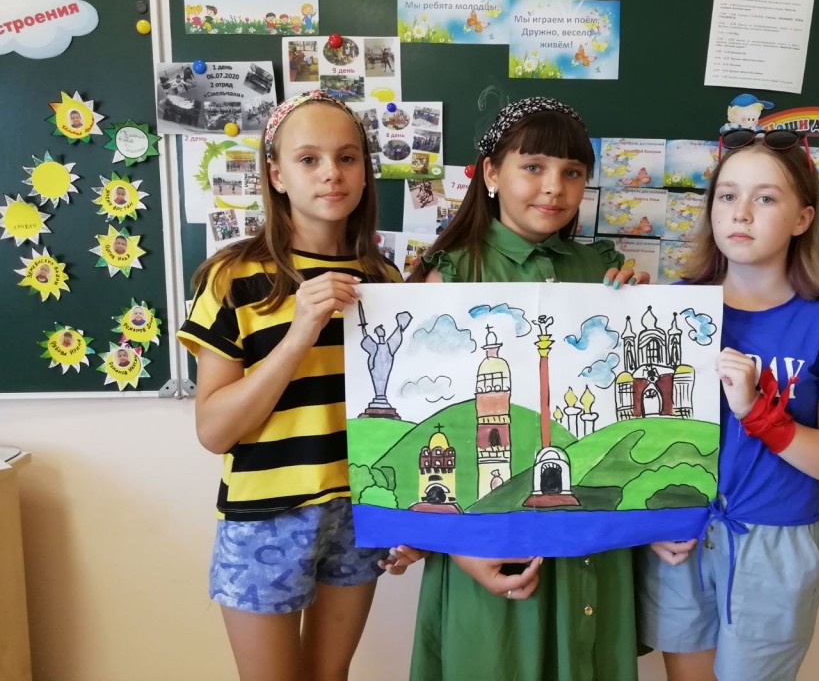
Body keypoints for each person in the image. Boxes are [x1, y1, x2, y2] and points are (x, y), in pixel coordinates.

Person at [176, 89, 424, 681]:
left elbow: (407, 411)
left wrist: (412, 517)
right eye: (308, 159)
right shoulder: (234, 277)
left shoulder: (383, 281)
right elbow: (214, 430)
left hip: (359, 508)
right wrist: (299, 332)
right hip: (265, 514)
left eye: (347, 157)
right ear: (277, 175)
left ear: (364, 171)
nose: (331, 173)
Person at [406, 97, 649, 681]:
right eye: (533, 166)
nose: (554, 187)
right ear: (491, 173)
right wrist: (459, 548)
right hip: (487, 548)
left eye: (573, 172)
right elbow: (426, 425)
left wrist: (641, 306)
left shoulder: (605, 271)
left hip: (594, 546)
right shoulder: (452, 273)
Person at [637, 129, 819, 681]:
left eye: (766, 198)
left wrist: (758, 413)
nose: (741, 213)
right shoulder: (670, 310)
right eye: (727, 195)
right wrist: (648, 518)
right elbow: (641, 436)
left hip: (774, 541)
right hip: (681, 534)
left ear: (802, 218)